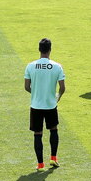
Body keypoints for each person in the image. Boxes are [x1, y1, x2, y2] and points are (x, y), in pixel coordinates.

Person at [24, 38, 65, 171]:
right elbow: (62, 88)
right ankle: (53, 158)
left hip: (36, 105)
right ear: (50, 50)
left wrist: (36, 93)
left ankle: (40, 164)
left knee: (38, 134)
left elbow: (26, 86)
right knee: (53, 130)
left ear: (39, 49)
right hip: (50, 105)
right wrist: (56, 97)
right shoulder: (57, 66)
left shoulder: (30, 66)